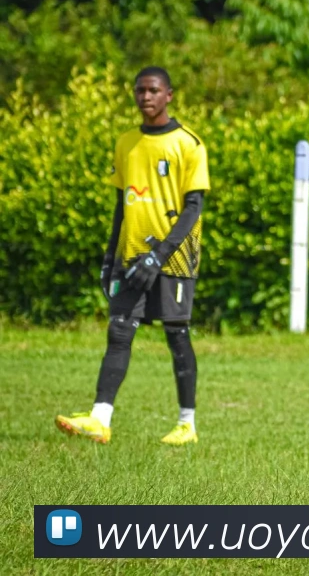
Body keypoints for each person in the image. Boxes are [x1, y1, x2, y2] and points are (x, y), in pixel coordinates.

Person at [55, 66, 210, 446]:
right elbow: (120, 205)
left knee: (177, 336)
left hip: (174, 260)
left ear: (169, 94)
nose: (146, 97)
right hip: (131, 256)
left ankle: (186, 425)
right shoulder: (126, 142)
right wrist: (110, 257)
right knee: (119, 331)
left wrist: (159, 255)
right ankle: (99, 419)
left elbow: (193, 209)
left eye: (153, 90)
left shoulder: (189, 144)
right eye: (140, 90)